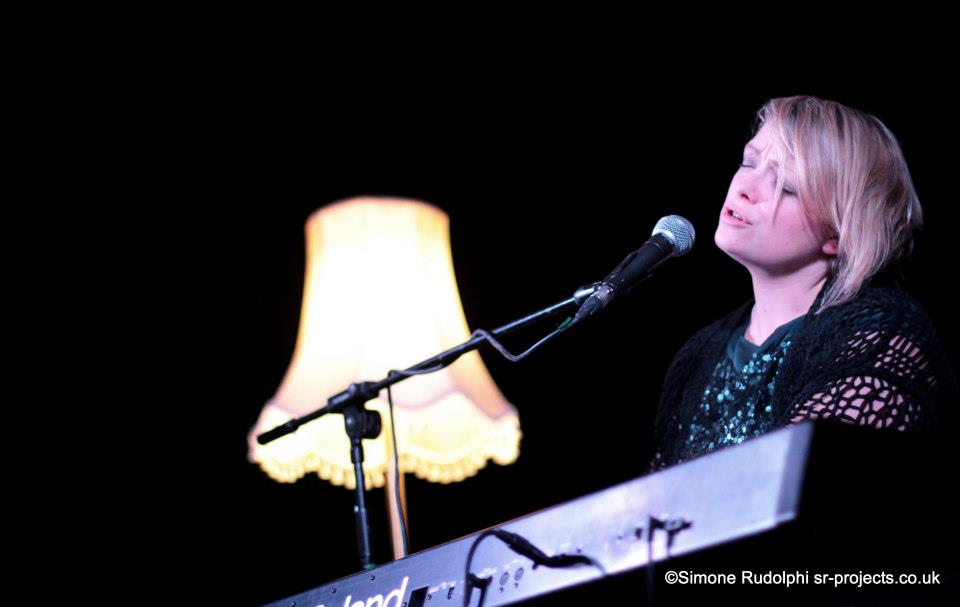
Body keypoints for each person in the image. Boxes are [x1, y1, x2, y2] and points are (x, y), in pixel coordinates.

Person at [648, 95, 957, 472]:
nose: (745, 186)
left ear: (839, 233)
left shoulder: (881, 333)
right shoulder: (697, 356)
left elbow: (795, 493)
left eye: (787, 186)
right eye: (749, 161)